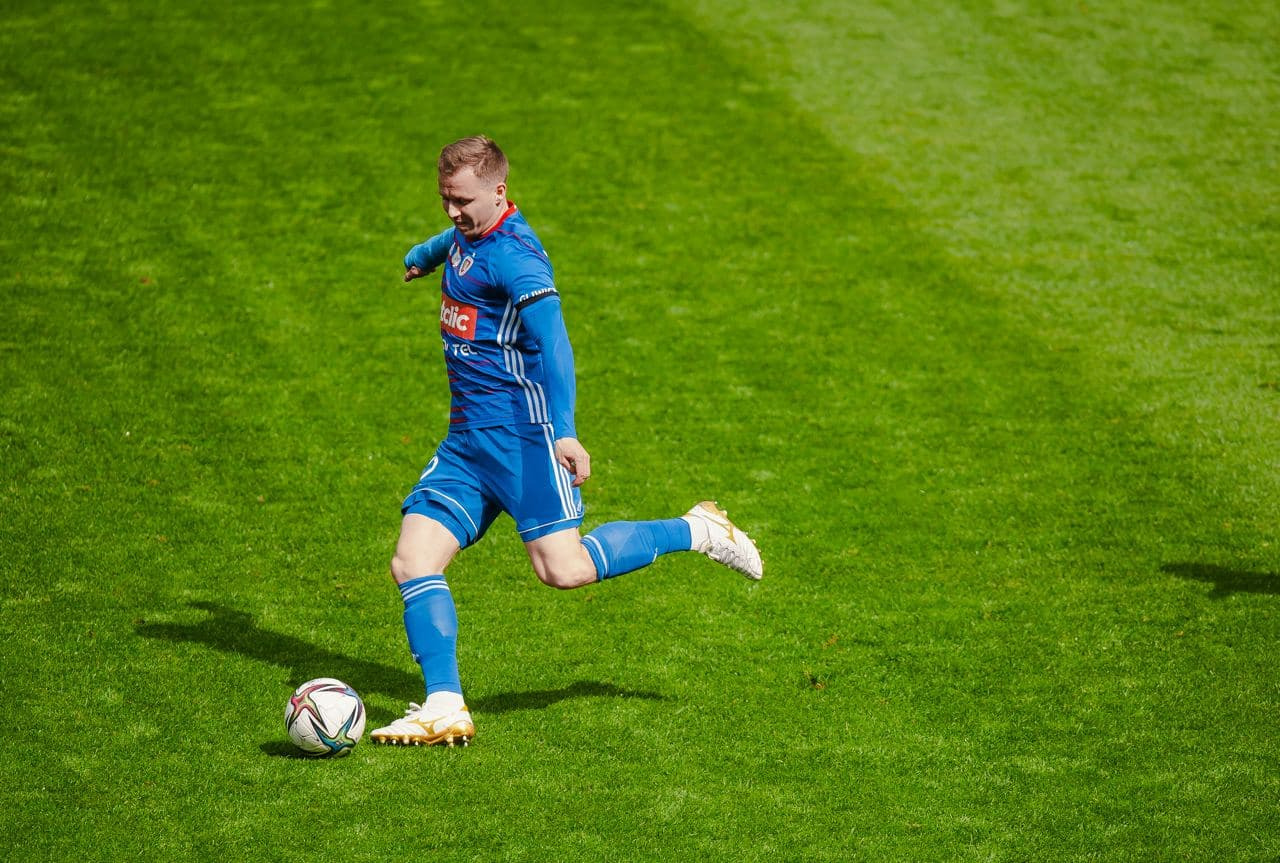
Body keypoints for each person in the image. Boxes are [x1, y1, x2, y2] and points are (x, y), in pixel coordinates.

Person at [370, 135, 762, 748]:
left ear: (499, 192)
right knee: (412, 561)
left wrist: (567, 431)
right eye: (444, 198)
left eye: (462, 201)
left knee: (564, 569)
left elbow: (555, 344)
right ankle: (445, 704)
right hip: (466, 444)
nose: (451, 210)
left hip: (524, 442)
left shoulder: (519, 260)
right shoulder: (470, 234)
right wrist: (426, 252)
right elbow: (457, 243)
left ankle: (697, 529)